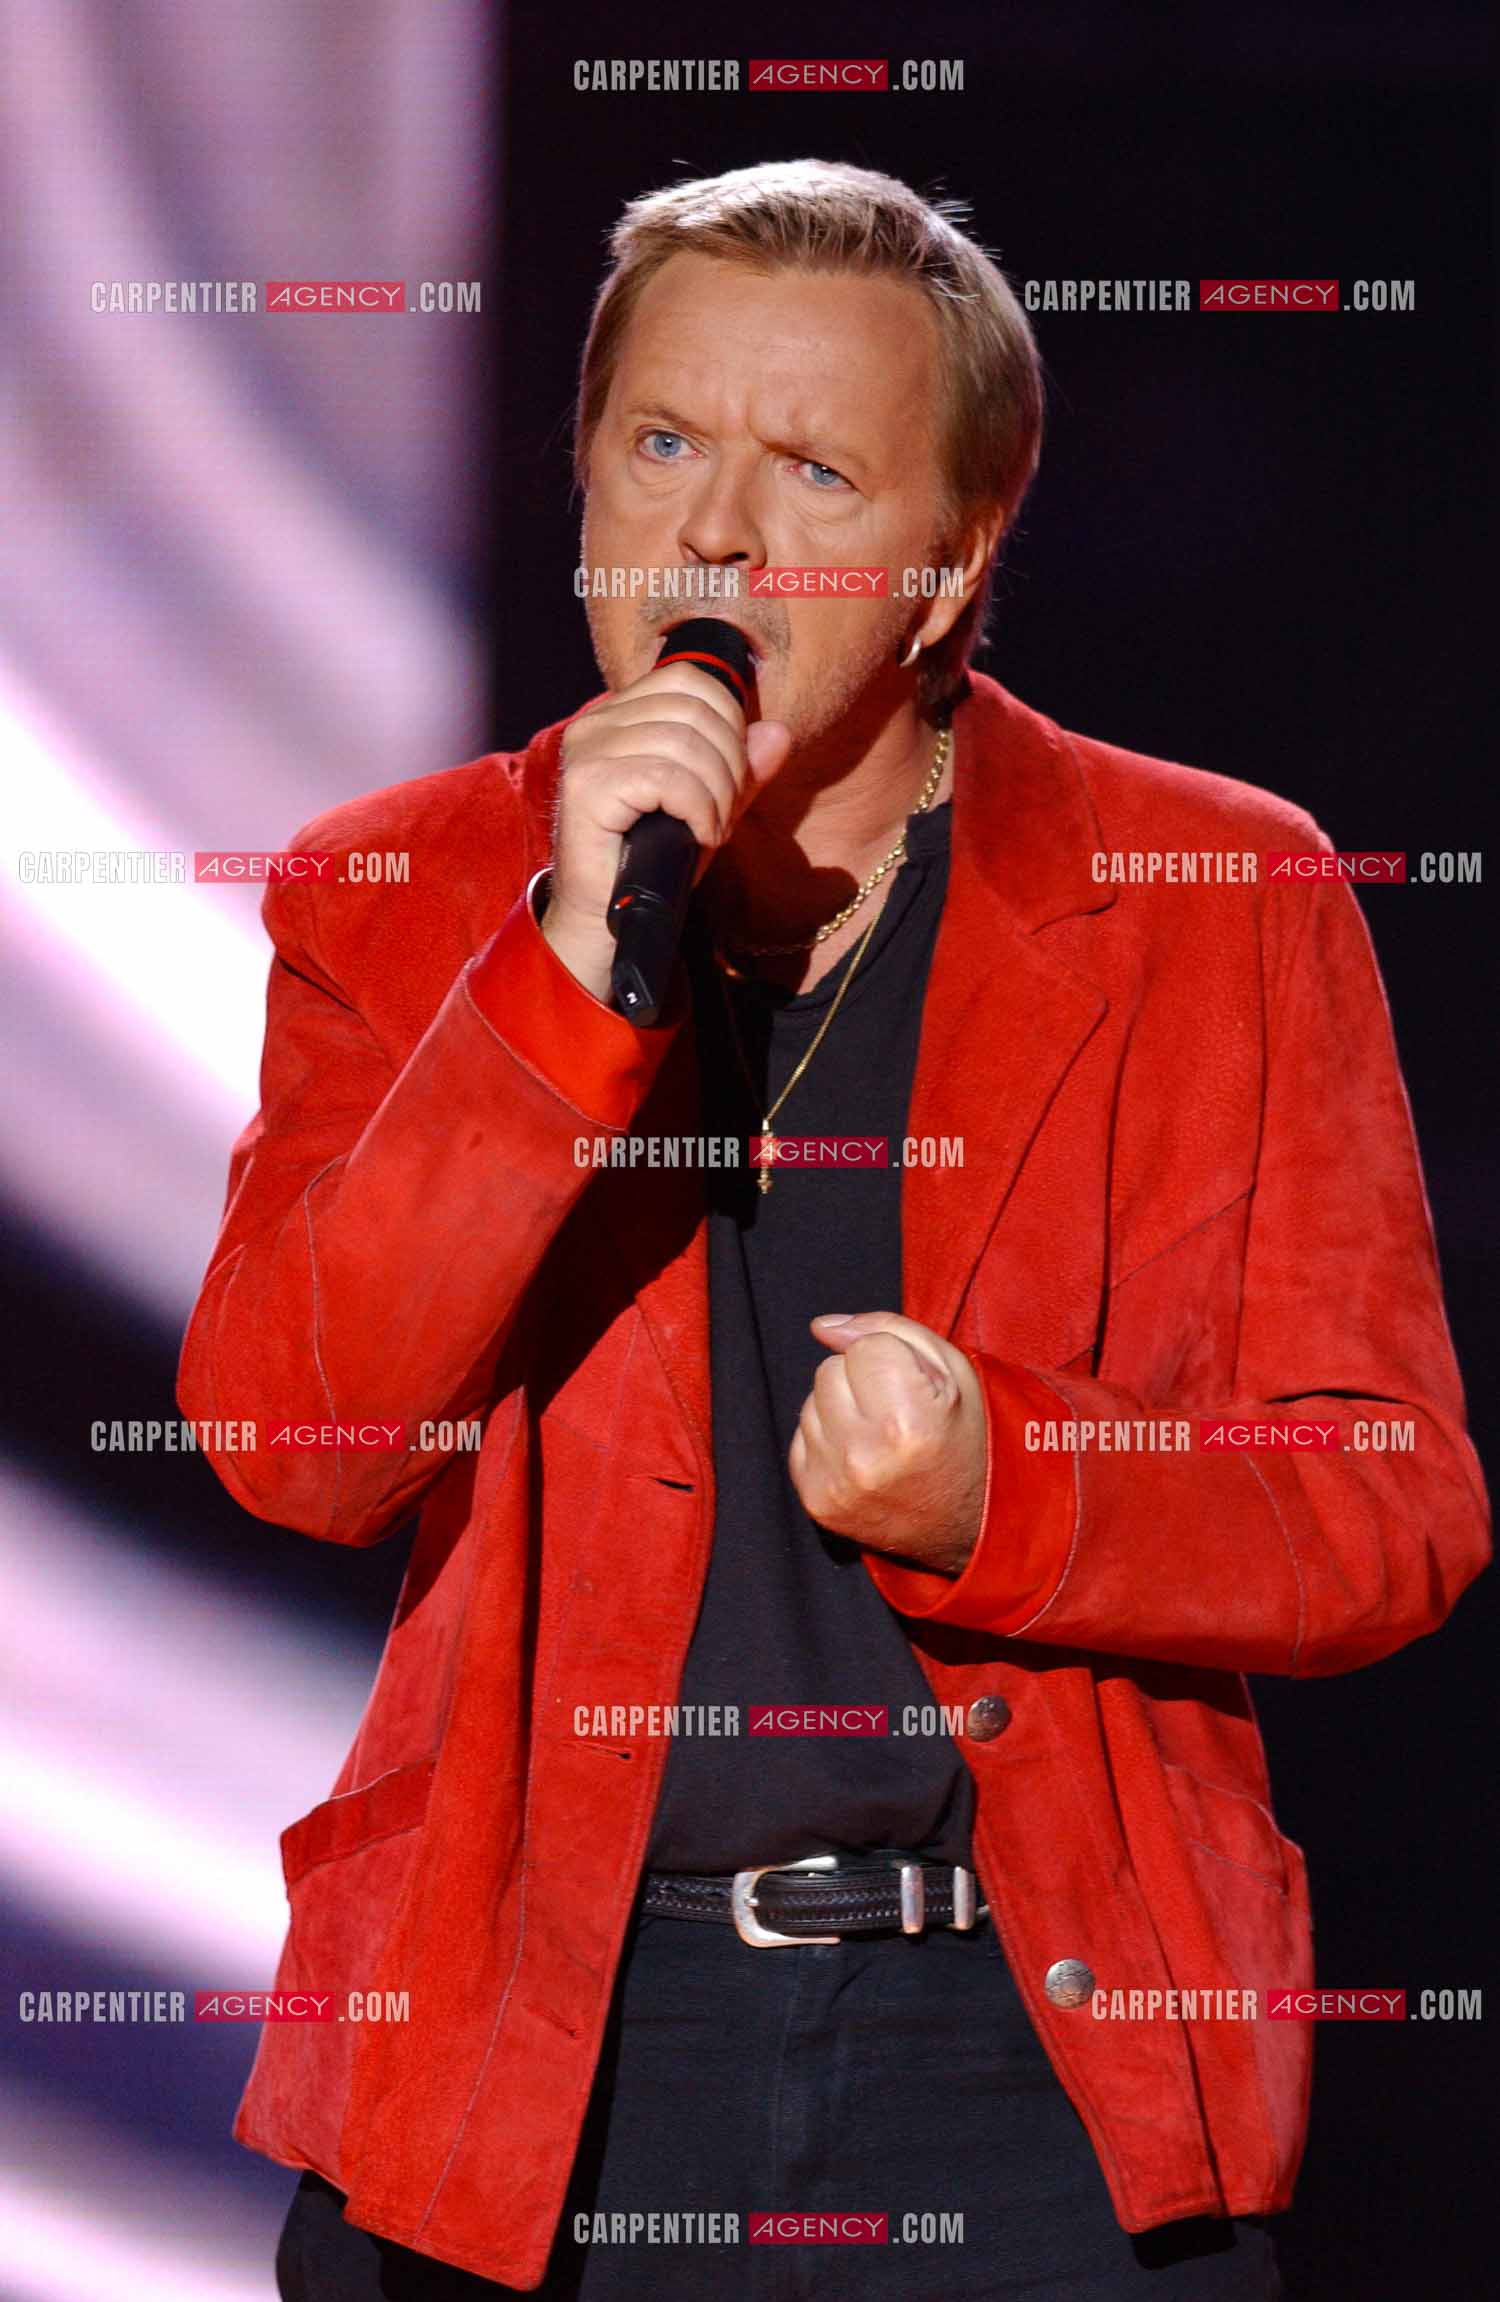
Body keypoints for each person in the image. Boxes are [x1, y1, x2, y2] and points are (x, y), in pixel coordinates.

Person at [179, 159, 1490, 2300]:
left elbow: (1390, 1499)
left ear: (950, 564)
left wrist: (1016, 1485)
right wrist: (558, 976)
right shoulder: (396, 895)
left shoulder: (1218, 901)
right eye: (661, 442)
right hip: (531, 2053)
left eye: (813, 472)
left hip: (1033, 2064)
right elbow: (291, 1441)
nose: (711, 533)